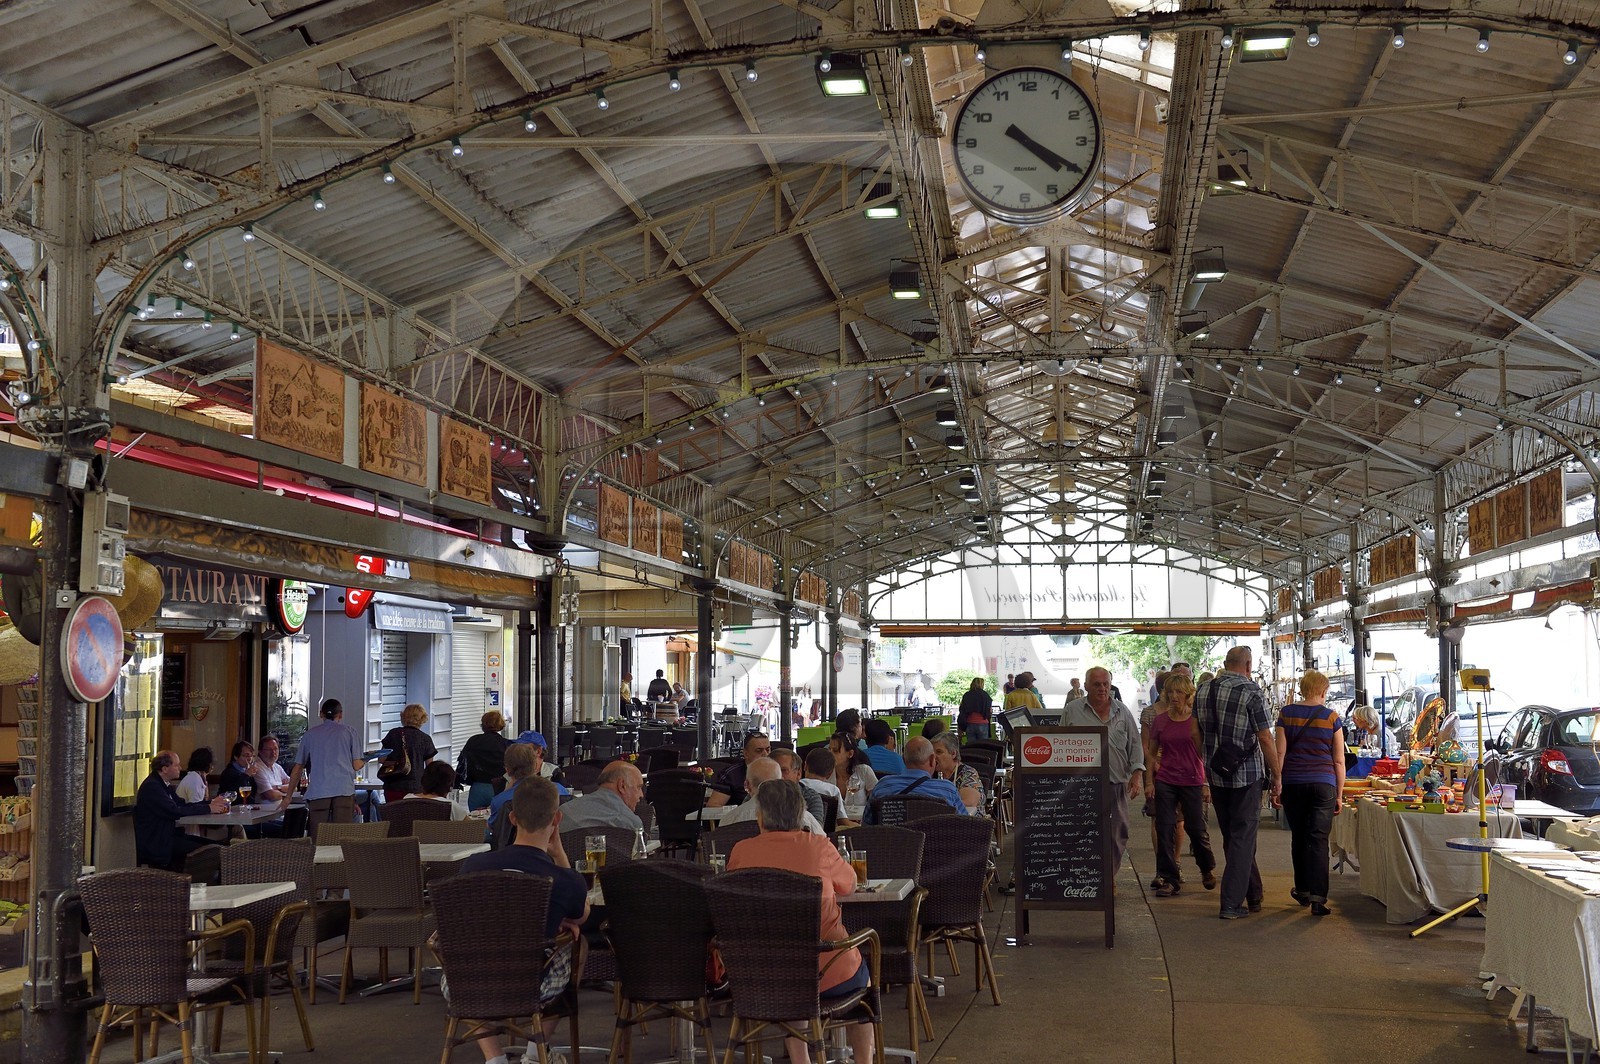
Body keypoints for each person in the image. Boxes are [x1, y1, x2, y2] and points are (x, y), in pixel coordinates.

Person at [726, 779, 876, 1064]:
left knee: (792, 973)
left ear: (760, 816)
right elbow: (851, 885)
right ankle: (864, 1061)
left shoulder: (740, 851)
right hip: (827, 971)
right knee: (860, 982)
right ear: (801, 813)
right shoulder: (819, 847)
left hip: (760, 975)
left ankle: (801, 1059)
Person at [458, 776, 588, 1064]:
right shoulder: (563, 879)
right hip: (535, 983)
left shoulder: (472, 866)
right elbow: (581, 916)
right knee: (577, 943)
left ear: (513, 818)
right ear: (557, 819)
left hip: (469, 980)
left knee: (463, 971)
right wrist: (560, 854)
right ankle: (535, 1052)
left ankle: (495, 1059)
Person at [1197, 646, 1281, 920]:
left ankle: (1253, 894)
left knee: (1234, 838)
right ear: (1248, 665)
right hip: (1246, 775)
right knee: (1243, 839)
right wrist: (1277, 775)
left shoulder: (1203, 690)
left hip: (1217, 774)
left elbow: (1194, 733)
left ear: (1225, 663)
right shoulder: (1252, 692)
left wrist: (1205, 760)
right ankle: (1231, 903)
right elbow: (1266, 738)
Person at [1276, 670, 1345, 916]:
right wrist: (1339, 794)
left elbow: (1280, 754)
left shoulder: (1286, 714)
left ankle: (1303, 889)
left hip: (1293, 783)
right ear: (1323, 691)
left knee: (1299, 837)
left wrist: (1277, 783)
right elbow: (1338, 760)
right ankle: (1318, 898)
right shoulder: (1331, 718)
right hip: (1323, 784)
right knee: (1318, 839)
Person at [1062, 667, 1145, 872]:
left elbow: (1135, 744)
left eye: (1106, 683)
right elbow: (1060, 745)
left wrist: (1137, 775)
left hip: (1116, 783)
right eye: (1097, 684)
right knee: (1083, 833)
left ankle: (1109, 876)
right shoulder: (1072, 710)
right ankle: (1088, 876)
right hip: (1082, 785)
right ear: (1086, 685)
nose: (1102, 688)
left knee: (1118, 832)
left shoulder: (1122, 711)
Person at [1143, 674, 1216, 897]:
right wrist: (1149, 782)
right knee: (1165, 828)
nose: (1174, 696)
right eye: (1170, 692)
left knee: (1196, 828)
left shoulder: (1196, 721)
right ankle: (1169, 878)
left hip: (1192, 779)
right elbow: (1152, 752)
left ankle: (1206, 867)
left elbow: (1204, 754)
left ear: (1188, 694)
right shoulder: (1161, 720)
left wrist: (1206, 783)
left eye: (1178, 692)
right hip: (1166, 779)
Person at [135, 751, 231, 869]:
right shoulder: (152, 786)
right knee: (214, 851)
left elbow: (182, 804)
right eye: (176, 765)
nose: (180, 768)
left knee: (218, 846)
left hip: (169, 837)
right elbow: (175, 811)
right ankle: (203, 882)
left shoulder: (163, 784)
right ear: (165, 769)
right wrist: (208, 808)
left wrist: (211, 803)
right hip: (160, 843)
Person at [289, 698, 364, 832]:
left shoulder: (310, 734)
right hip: (343, 790)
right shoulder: (349, 732)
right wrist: (368, 758)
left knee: (319, 836)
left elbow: (298, 767)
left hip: (319, 791)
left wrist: (288, 797)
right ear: (340, 714)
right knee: (341, 836)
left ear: (321, 714)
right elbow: (357, 765)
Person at [865, 737, 966, 822]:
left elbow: (867, 824)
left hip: (892, 844)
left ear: (904, 759)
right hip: (938, 844)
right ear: (932, 760)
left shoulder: (883, 786)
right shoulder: (947, 789)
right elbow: (965, 822)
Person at [717, 758, 826, 834]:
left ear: (747, 785)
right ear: (781, 782)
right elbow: (823, 845)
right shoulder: (804, 818)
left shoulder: (729, 820)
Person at [559, 760, 645, 832]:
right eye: (639, 787)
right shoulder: (629, 823)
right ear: (622, 786)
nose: (641, 795)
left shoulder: (563, 812)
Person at [379, 702, 438, 804]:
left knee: (393, 817)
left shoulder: (393, 734)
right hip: (416, 788)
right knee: (412, 817)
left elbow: (381, 759)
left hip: (393, 786)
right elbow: (430, 767)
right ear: (422, 719)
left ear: (403, 717)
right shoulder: (425, 739)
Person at [456, 710, 512, 811]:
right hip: (498, 788)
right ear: (501, 724)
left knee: (476, 822)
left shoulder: (473, 740)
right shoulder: (504, 744)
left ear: (483, 724)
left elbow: (462, 762)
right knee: (496, 821)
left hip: (477, 788)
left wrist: (457, 782)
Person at [706, 733, 773, 807]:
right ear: (746, 754)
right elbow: (713, 806)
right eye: (758, 751)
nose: (765, 754)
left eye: (768, 750)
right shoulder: (731, 775)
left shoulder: (777, 770)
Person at [389, 762, 467, 820]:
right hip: (440, 841)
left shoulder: (406, 799)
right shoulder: (450, 806)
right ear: (449, 785)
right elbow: (473, 830)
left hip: (412, 842)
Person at [827, 733, 877, 822]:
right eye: (829, 750)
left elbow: (876, 801)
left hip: (860, 825)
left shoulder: (864, 771)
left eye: (835, 751)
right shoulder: (826, 774)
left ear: (850, 753)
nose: (830, 754)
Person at [772, 748, 828, 826]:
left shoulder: (810, 797)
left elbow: (815, 830)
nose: (777, 776)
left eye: (783, 770)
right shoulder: (759, 795)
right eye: (773, 771)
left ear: (798, 773)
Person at [929, 733, 984, 813]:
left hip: (969, 822)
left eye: (939, 752)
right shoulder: (930, 773)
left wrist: (937, 805)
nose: (934, 757)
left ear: (953, 754)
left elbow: (970, 803)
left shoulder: (968, 774)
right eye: (932, 753)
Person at [250, 735, 294, 802]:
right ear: (260, 752)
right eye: (269, 749)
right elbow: (271, 795)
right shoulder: (257, 768)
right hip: (265, 810)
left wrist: (278, 787)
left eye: (275, 749)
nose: (273, 753)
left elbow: (294, 786)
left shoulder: (277, 767)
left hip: (281, 807)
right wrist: (286, 793)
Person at [957, 677, 993, 743]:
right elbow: (990, 710)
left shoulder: (967, 695)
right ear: (981, 684)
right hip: (983, 723)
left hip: (970, 723)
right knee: (983, 747)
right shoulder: (985, 695)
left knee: (972, 748)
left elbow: (962, 710)